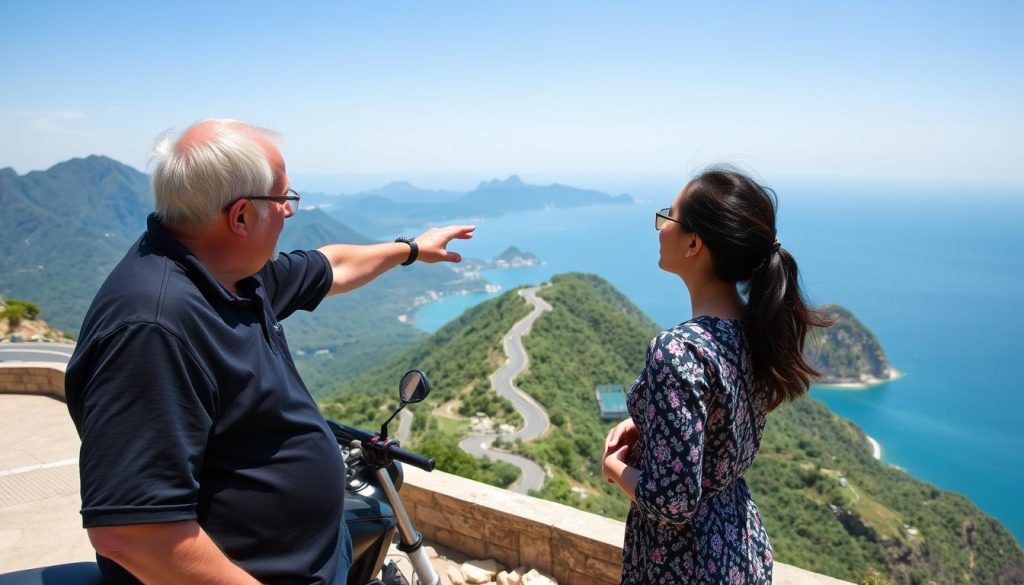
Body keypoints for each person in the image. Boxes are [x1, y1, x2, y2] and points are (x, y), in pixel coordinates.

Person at [64, 119, 474, 585]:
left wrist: (412, 249)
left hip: (312, 552)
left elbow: (332, 266)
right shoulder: (153, 328)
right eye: (283, 198)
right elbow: (135, 534)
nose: (289, 210)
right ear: (240, 216)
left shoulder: (228, 271)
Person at [602, 166, 831, 584]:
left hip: (679, 563)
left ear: (693, 243)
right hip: (738, 545)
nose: (659, 229)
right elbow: (719, 425)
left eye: (666, 217)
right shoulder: (755, 331)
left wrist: (614, 468)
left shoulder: (678, 351)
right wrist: (647, 422)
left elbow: (673, 503)